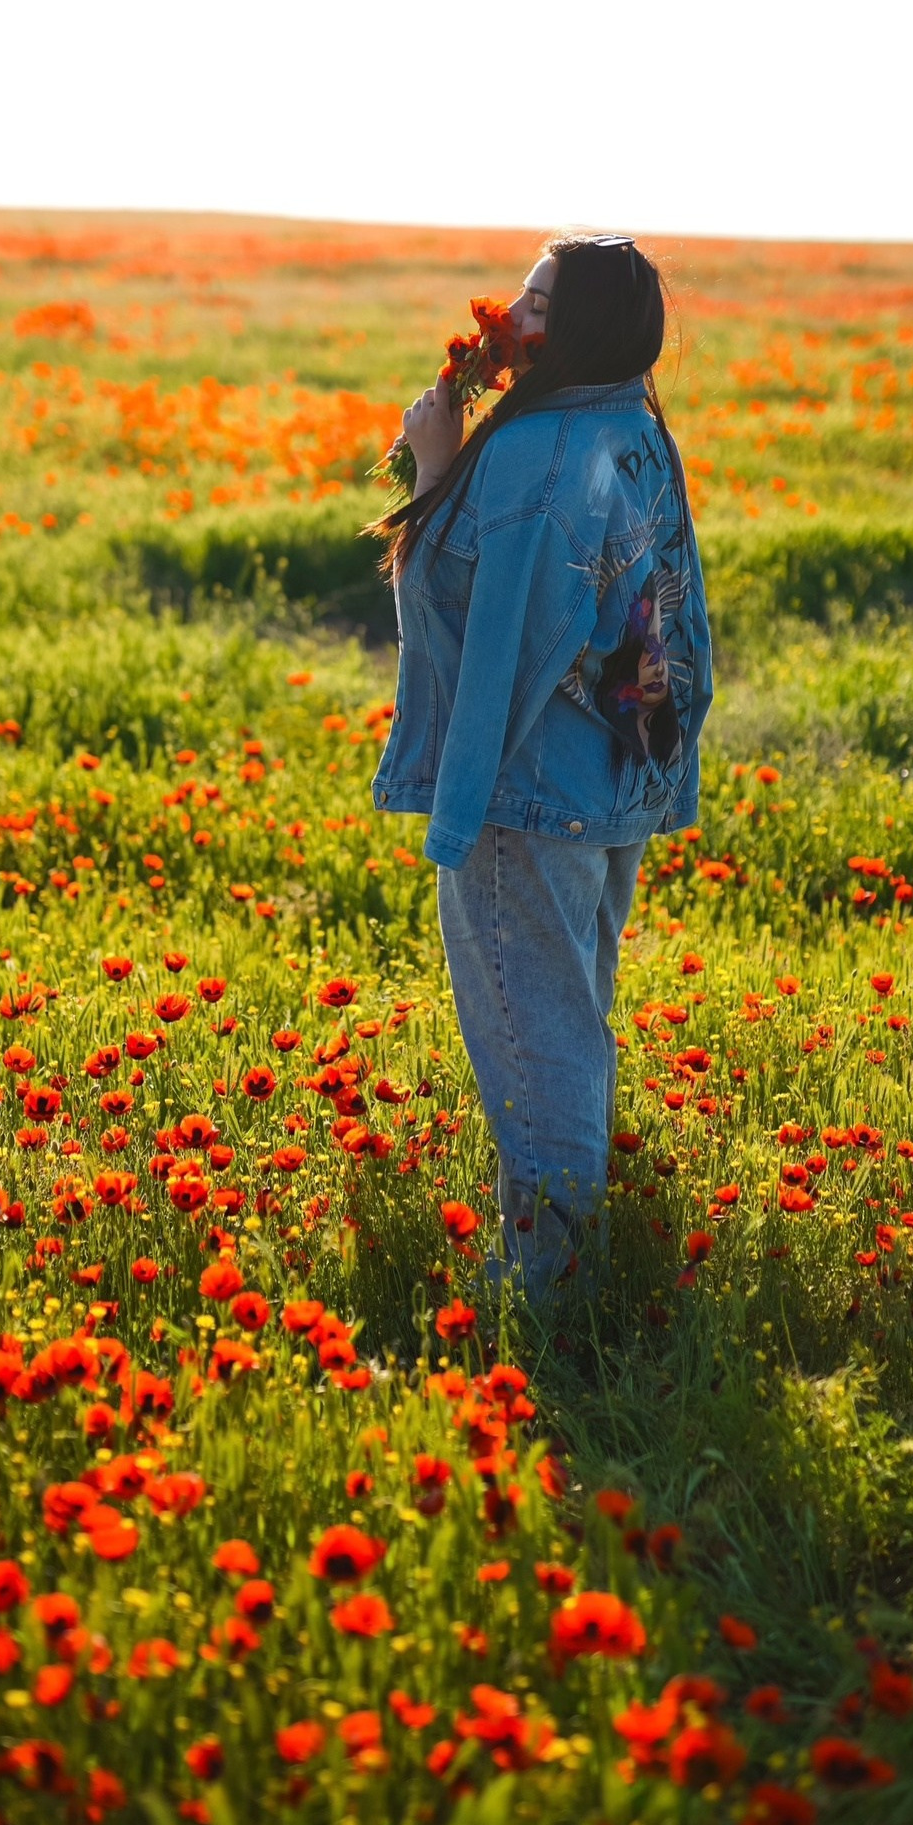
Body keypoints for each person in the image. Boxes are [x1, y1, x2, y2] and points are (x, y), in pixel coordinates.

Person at [367, 232, 713, 1301]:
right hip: (608, 786)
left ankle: (552, 1303)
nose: (509, 318)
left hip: (529, 794)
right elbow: (652, 633)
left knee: (536, 1045)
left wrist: (433, 468)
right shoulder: (631, 431)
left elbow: (479, 625)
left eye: (532, 300)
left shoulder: (533, 458)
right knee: (569, 1026)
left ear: (573, 329)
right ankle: (558, 1256)